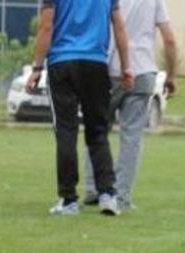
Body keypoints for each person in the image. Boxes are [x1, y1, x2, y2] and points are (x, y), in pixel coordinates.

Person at [28, 0, 134, 216]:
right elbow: (119, 27)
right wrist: (126, 67)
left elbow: (46, 26)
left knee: (66, 131)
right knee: (98, 131)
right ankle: (107, 195)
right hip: (95, 63)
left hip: (62, 63)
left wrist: (37, 67)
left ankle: (68, 200)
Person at [83, 0, 179, 211]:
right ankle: (122, 197)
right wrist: (171, 75)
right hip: (143, 71)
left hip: (108, 70)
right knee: (131, 137)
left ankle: (93, 189)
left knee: (97, 131)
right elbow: (169, 39)